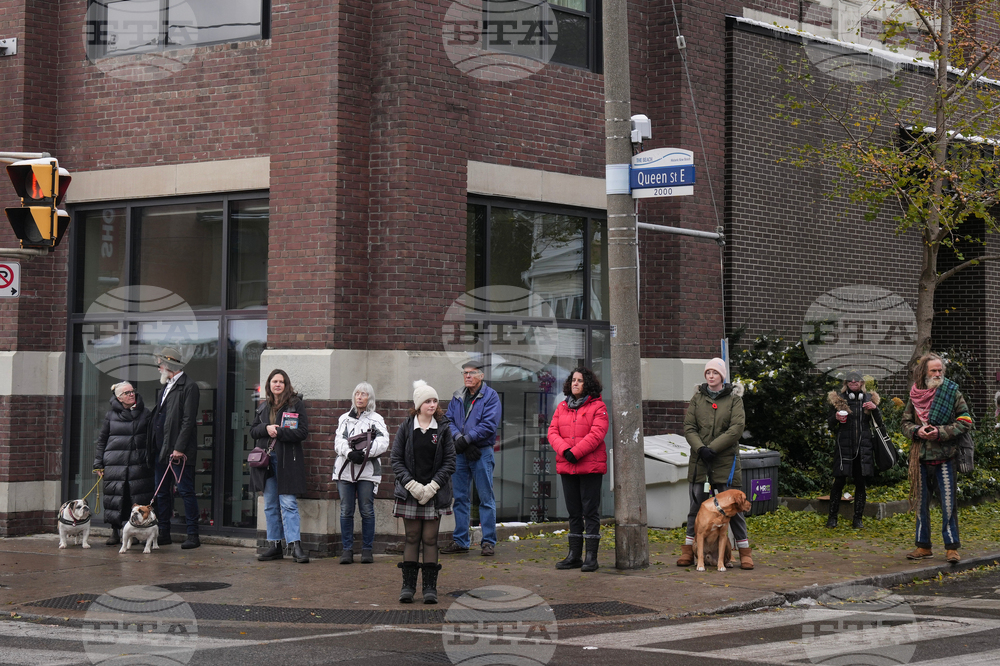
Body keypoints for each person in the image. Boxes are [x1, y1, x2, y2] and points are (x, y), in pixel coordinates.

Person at [677, 358, 753, 570]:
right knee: (696, 508)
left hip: (725, 462)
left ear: (722, 376)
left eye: (715, 373)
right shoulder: (697, 398)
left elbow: (736, 427)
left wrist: (714, 448)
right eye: (708, 372)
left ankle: (744, 552)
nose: (710, 376)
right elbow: (689, 426)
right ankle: (688, 550)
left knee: (734, 509)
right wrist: (701, 449)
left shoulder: (734, 399)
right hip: (700, 462)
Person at [901, 353, 973, 564]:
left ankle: (951, 548)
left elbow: (965, 420)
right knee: (921, 505)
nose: (938, 373)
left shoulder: (952, 392)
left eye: (940, 370)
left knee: (948, 505)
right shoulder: (915, 395)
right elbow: (904, 423)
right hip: (920, 459)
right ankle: (923, 547)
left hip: (945, 457)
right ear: (924, 372)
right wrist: (917, 431)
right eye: (933, 370)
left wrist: (941, 432)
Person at [391, 380, 456, 604]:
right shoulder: (406, 427)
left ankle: (430, 589)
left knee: (430, 539)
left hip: (434, 493)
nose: (432, 404)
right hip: (410, 492)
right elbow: (396, 459)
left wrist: (432, 487)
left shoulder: (444, 428)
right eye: (427, 401)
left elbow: (450, 461)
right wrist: (413, 485)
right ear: (418, 404)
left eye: (435, 400)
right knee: (411, 537)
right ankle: (408, 587)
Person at [548, 367, 609, 572]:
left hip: (589, 467)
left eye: (580, 380)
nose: (575, 383)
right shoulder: (562, 406)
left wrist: (576, 452)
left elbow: (597, 434)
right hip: (568, 465)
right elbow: (552, 431)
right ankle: (574, 555)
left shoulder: (598, 407)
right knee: (573, 512)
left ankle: (591, 557)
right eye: (573, 380)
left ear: (588, 384)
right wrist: (566, 451)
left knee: (590, 511)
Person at [441, 360, 502, 557]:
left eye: (472, 373)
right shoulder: (457, 396)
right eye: (465, 373)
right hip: (460, 452)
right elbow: (447, 420)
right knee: (460, 498)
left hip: (482, 452)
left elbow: (489, 425)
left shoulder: (491, 397)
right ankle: (460, 540)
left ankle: (488, 542)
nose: (467, 376)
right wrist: (459, 439)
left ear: (482, 376)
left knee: (485, 497)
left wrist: (466, 439)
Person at [250, 369, 310, 564]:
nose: (278, 384)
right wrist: (266, 429)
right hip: (266, 462)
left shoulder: (295, 405)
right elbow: (252, 431)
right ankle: (275, 545)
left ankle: (295, 546)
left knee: (288, 504)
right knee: (270, 505)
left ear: (286, 385)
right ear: (269, 385)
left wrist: (280, 433)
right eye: (274, 381)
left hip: (287, 463)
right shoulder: (262, 406)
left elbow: (302, 432)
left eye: (281, 382)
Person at [148, 347, 201, 549]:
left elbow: (188, 421)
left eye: (160, 364)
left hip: (178, 452)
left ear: (169, 366)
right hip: (161, 449)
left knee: (186, 491)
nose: (158, 367)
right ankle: (164, 532)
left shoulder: (189, 387)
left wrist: (179, 448)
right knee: (161, 492)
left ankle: (193, 535)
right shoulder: (166, 386)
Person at [334, 382, 390, 564]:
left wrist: (365, 453)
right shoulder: (344, 418)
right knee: (346, 511)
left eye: (363, 394)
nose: (359, 397)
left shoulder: (376, 419)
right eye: (357, 393)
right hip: (345, 471)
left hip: (367, 471)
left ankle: (367, 550)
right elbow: (338, 441)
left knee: (367, 510)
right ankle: (347, 550)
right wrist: (349, 453)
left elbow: (383, 441)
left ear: (369, 398)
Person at [93, 382, 154, 546]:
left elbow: (152, 440)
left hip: (138, 464)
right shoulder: (110, 415)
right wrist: (98, 464)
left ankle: (136, 533)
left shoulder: (145, 413)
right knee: (116, 498)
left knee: (137, 497)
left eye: (132, 391)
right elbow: (102, 440)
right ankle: (115, 532)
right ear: (119, 398)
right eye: (127, 393)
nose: (131, 394)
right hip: (115, 463)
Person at [826, 370, 883, 529]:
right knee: (838, 482)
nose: (853, 381)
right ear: (846, 383)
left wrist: (875, 409)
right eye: (849, 380)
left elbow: (879, 423)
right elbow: (830, 424)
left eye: (856, 379)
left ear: (862, 383)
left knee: (860, 483)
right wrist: (836, 418)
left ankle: (858, 519)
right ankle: (832, 518)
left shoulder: (869, 399)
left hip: (863, 448)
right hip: (843, 447)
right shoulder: (838, 400)